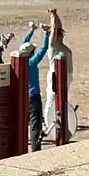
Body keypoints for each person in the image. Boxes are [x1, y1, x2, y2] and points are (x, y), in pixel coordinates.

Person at [18, 21, 51, 150]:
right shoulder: (32, 62)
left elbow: (23, 44)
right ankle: (35, 150)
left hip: (22, 98)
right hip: (33, 97)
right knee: (35, 125)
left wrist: (31, 30)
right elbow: (44, 48)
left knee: (22, 124)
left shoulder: (19, 63)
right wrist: (46, 33)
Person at [46, 9, 74, 143]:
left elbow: (59, 27)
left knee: (64, 100)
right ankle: (50, 125)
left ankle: (63, 125)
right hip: (56, 75)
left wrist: (57, 14)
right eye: (59, 34)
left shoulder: (62, 45)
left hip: (66, 76)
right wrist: (52, 16)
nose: (61, 35)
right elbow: (54, 29)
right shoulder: (53, 45)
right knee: (52, 100)